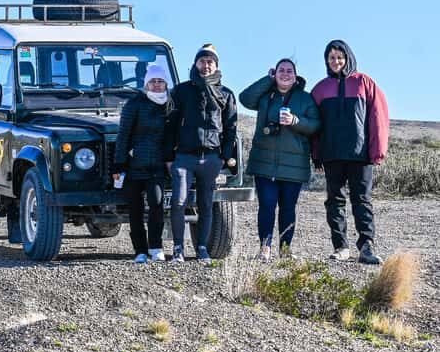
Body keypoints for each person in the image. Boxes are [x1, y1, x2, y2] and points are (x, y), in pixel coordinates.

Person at [311, 40, 389, 265]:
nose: (336, 61)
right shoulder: (320, 89)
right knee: (334, 201)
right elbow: (314, 124)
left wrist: (377, 150)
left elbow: (378, 117)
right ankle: (341, 247)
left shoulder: (364, 82)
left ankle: (366, 246)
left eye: (340, 57)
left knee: (362, 200)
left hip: (360, 155)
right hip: (332, 154)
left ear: (348, 58)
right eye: (331, 58)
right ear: (326, 61)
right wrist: (316, 154)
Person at [240, 59, 321, 261]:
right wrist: (266, 80)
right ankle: (265, 248)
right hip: (264, 163)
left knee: (288, 209)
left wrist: (295, 121)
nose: (285, 74)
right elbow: (245, 99)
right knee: (266, 206)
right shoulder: (265, 95)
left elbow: (315, 125)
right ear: (274, 74)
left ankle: (285, 250)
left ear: (295, 76)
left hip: (294, 166)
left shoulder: (305, 99)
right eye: (281, 70)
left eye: (289, 71)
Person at [165, 44, 238, 264]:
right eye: (202, 61)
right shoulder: (181, 91)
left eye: (210, 62)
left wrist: (224, 156)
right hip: (184, 157)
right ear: (195, 64)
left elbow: (231, 128)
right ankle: (178, 248)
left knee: (206, 204)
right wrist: (169, 157)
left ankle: (202, 249)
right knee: (178, 201)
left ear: (216, 65)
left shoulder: (226, 94)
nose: (206, 65)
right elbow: (170, 125)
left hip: (212, 157)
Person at [113, 64, 170, 263]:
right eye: (153, 81)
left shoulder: (171, 105)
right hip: (134, 165)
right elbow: (123, 135)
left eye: (160, 81)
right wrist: (119, 164)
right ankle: (140, 251)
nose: (157, 85)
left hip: (158, 166)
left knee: (157, 204)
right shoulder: (134, 104)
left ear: (166, 84)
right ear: (146, 84)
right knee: (135, 209)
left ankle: (156, 247)